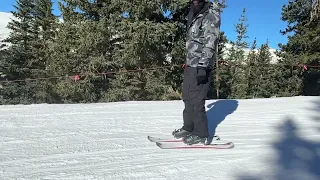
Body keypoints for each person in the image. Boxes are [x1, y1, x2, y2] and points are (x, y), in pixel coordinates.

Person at [172, 0, 221, 145]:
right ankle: (189, 127)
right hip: (191, 64)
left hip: (201, 65)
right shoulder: (193, 12)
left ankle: (201, 134)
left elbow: (210, 42)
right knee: (187, 97)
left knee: (196, 99)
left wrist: (203, 66)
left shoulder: (210, 15)